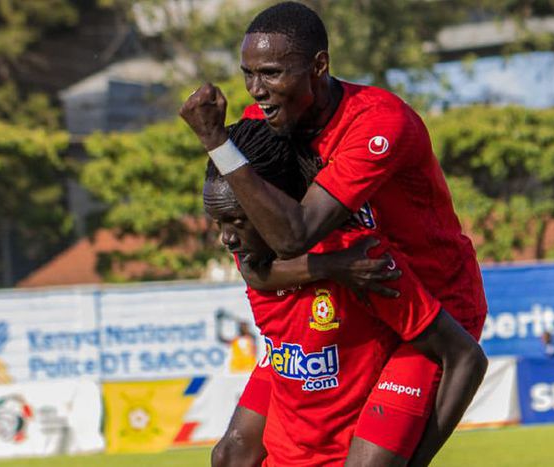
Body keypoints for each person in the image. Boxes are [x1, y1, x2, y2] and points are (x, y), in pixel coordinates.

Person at [180, 3, 488, 464]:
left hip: (423, 301)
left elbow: (293, 235)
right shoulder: (266, 124)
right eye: (248, 74)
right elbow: (255, 264)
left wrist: (217, 142)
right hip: (347, 288)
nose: (257, 90)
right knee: (233, 455)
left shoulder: (378, 123)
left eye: (271, 73)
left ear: (319, 66)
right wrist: (331, 267)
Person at [204, 118, 486, 466]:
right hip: (294, 365)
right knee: (228, 456)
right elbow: (256, 274)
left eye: (237, 221)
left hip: (386, 362)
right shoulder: (251, 252)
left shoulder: (363, 261)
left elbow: (465, 358)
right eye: (219, 223)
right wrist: (329, 267)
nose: (227, 239)